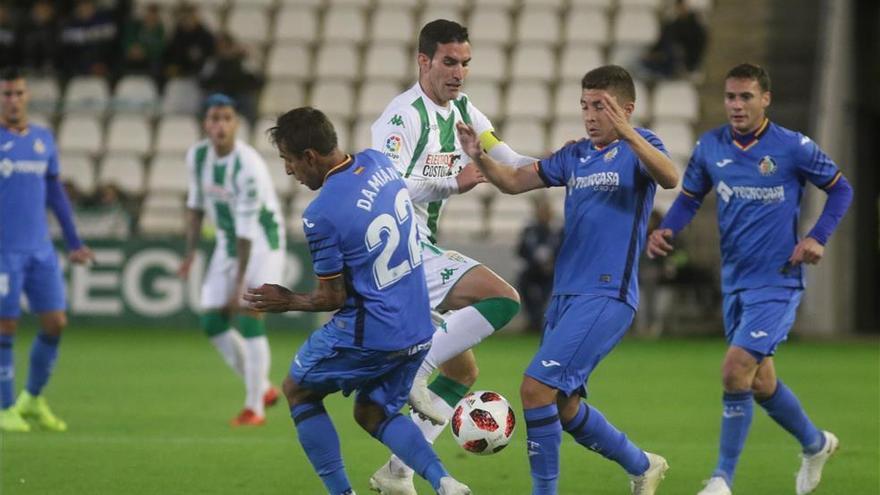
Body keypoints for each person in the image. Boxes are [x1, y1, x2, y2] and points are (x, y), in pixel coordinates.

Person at [457, 64, 680, 495]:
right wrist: (479, 157)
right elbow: (516, 180)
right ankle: (641, 465)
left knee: (534, 388)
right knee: (562, 406)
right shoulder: (575, 155)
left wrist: (629, 132)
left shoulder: (641, 146)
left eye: (601, 107)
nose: (590, 115)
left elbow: (670, 177)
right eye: (585, 106)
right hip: (565, 296)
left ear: (626, 109)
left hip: (607, 292)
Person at [646, 63, 852, 495]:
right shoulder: (711, 147)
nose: (736, 105)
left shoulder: (792, 147)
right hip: (735, 281)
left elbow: (841, 189)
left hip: (778, 281)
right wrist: (668, 230)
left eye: (746, 97)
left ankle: (722, 479)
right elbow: (687, 198)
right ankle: (815, 444)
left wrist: (816, 237)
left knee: (735, 369)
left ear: (766, 99)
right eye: (730, 97)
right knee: (761, 381)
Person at [244, 106, 471, 495]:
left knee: (297, 390)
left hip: (373, 330)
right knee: (373, 412)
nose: (288, 171)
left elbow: (331, 297)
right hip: (417, 326)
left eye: (288, 160)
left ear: (310, 157)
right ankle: (444, 480)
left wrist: (287, 299)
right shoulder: (380, 162)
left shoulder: (321, 214)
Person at [369, 19, 530, 494]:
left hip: (424, 246)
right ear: (424, 61)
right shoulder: (401, 117)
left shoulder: (463, 109)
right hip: (403, 248)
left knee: (462, 371)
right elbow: (386, 187)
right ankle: (417, 368)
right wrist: (451, 182)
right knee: (504, 300)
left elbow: (508, 156)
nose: (459, 72)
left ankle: (397, 473)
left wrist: (565, 164)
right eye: (449, 62)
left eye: (465, 62)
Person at [177, 93, 285, 426]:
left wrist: (238, 284)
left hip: (262, 242)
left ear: (236, 123)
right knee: (212, 321)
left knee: (249, 313)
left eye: (227, 118)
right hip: (229, 242)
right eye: (214, 118)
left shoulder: (248, 166)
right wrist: (190, 253)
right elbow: (195, 208)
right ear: (205, 124)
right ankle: (263, 387)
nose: (220, 125)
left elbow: (247, 230)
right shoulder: (197, 157)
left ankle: (254, 407)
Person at [0, 67, 95, 432]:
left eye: (19, 94)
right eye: (7, 94)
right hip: (5, 251)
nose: (13, 100)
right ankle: (6, 407)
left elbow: (55, 193)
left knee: (56, 322)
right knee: (6, 324)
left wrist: (74, 242)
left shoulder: (42, 139)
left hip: (40, 249)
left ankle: (32, 398)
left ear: (27, 97)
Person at [516, 196, 561, 332]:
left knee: (551, 292)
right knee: (523, 284)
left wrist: (552, 263)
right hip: (533, 269)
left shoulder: (558, 230)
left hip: (554, 271)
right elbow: (520, 250)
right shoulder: (530, 231)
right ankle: (534, 319)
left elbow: (565, 249)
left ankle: (544, 321)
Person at [640, 0, 707, 79]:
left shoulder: (695, 26)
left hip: (684, 61)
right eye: (679, 7)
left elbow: (698, 47)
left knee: (674, 52)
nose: (681, 9)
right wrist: (652, 53)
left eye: (682, 6)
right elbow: (661, 42)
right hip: (667, 60)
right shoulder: (671, 25)